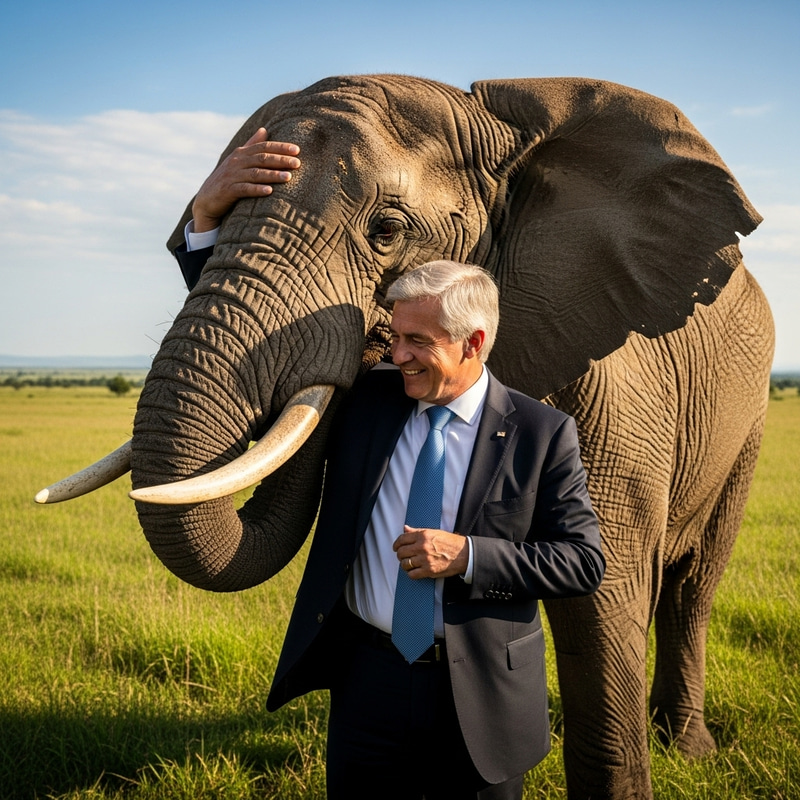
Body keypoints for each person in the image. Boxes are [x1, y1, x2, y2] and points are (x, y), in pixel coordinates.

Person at [176, 153, 605, 799]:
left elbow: (581, 562)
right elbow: (249, 321)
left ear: (474, 343)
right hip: (368, 678)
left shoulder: (541, 433)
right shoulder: (373, 402)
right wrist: (205, 225)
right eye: (396, 336)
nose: (397, 355)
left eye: (417, 343)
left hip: (480, 693)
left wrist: (467, 556)